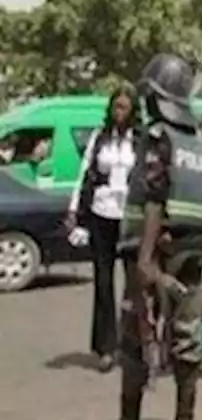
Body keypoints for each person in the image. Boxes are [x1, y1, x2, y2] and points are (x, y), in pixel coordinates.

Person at [107, 54, 202, 420]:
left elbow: (154, 197)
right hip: (192, 249)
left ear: (158, 98)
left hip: (153, 251)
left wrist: (144, 260)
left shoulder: (157, 137)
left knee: (136, 338)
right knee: (186, 338)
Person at [66, 86, 138, 373]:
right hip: (101, 213)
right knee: (103, 282)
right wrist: (75, 210)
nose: (119, 113)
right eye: (116, 107)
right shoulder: (100, 138)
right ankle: (105, 347)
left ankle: (132, 344)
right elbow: (84, 173)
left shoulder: (140, 140)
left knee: (133, 283)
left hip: (129, 215)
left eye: (125, 107)